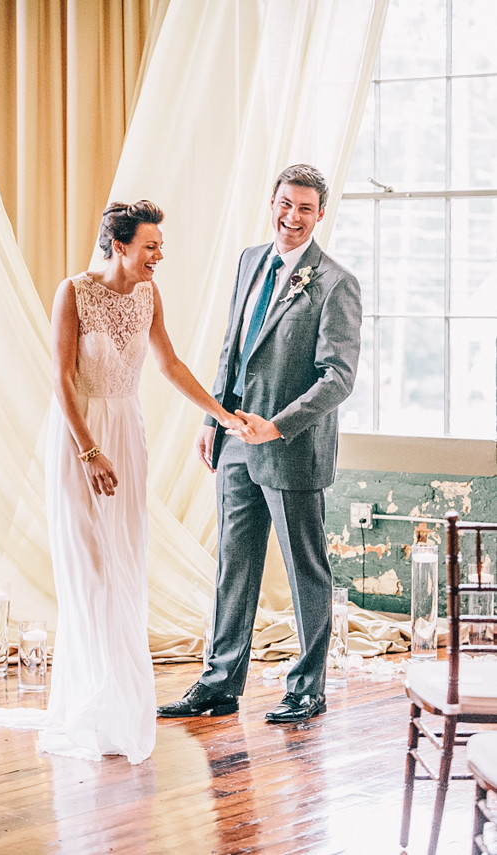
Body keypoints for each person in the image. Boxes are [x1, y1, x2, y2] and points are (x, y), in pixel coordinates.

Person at [0, 200, 245, 763]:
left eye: (159, 246)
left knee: (124, 566)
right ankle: (90, 703)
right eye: (150, 246)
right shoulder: (72, 292)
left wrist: (222, 416)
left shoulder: (149, 294)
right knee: (89, 570)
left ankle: (119, 707)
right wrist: (88, 449)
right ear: (119, 245)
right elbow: (61, 378)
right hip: (81, 436)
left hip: (128, 434)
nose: (159, 255)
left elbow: (170, 365)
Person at [157, 164, 362, 724]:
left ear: (320, 215)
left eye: (305, 209)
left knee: (305, 569)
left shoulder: (336, 283)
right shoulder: (251, 260)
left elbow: (338, 378)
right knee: (234, 565)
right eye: (285, 204)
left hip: (292, 448)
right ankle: (219, 683)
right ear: (272, 203)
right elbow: (233, 347)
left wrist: (278, 425)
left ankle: (308, 688)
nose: (292, 217)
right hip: (234, 442)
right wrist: (212, 417)